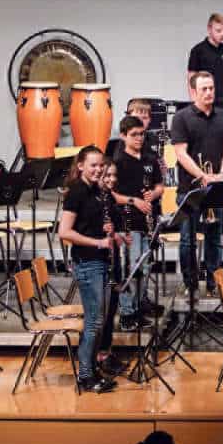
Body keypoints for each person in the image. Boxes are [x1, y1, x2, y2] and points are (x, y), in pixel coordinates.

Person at [57, 146, 119, 393]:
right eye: (93, 165)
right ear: (81, 165)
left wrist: (106, 230)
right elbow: (64, 232)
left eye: (101, 165)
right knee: (93, 322)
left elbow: (87, 223)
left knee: (99, 321)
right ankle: (85, 376)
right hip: (88, 262)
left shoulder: (95, 190)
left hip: (100, 260)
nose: (98, 169)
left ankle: (92, 369)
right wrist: (98, 242)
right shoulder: (76, 192)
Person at [168, 71, 223, 292]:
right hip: (190, 189)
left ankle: (214, 284)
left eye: (211, 88)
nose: (209, 92)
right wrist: (202, 175)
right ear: (193, 91)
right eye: (204, 89)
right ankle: (191, 284)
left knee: (215, 239)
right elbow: (181, 154)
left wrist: (221, 173)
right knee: (188, 240)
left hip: (215, 187)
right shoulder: (181, 118)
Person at [109, 116, 164, 328]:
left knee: (145, 267)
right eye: (134, 135)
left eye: (142, 134)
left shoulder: (150, 158)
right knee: (130, 269)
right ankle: (127, 313)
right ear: (123, 136)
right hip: (127, 221)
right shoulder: (118, 162)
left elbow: (159, 185)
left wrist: (154, 194)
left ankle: (138, 307)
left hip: (147, 220)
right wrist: (135, 201)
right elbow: (112, 194)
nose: (139, 138)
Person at [186, 12, 223, 111]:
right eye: (218, 31)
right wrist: (194, 101)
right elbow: (191, 77)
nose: (222, 34)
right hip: (205, 102)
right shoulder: (198, 50)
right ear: (209, 29)